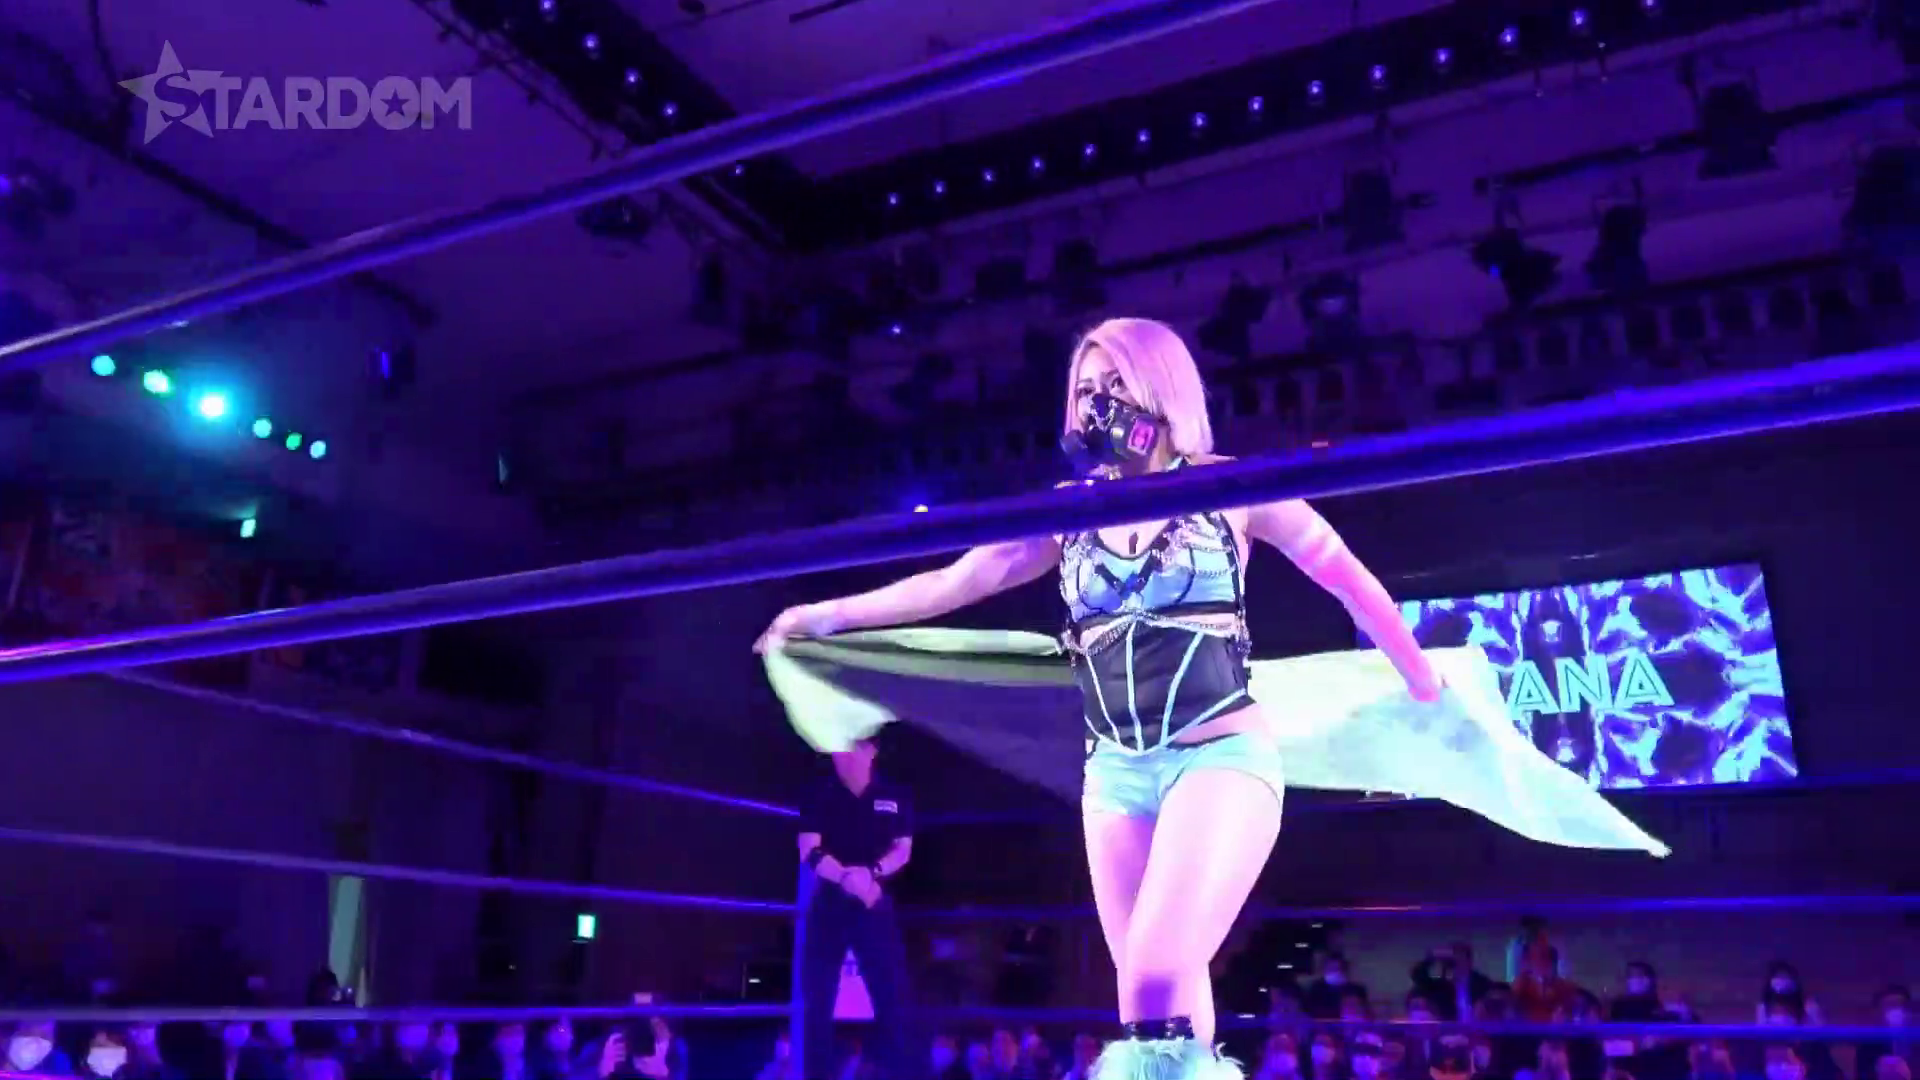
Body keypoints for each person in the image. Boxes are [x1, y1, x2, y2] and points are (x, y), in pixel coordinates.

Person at [758, 317, 1668, 1080]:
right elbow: (952, 582)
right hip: (1114, 775)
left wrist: (1423, 683)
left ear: (1159, 384)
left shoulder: (1233, 488)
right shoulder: (1066, 512)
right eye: (1083, 387)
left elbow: (1349, 580)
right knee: (1155, 997)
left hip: (1221, 758)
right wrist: (821, 616)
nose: (1097, 402)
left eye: (1113, 381)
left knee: (1153, 976)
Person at [792, 737, 918, 1080]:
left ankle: (895, 1075)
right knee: (817, 999)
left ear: (872, 751)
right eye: (839, 749)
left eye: (853, 748)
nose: (843, 756)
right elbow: (809, 849)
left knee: (891, 996)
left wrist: (871, 873)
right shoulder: (818, 792)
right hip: (832, 899)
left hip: (874, 898)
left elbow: (903, 849)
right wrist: (847, 877)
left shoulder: (895, 794)